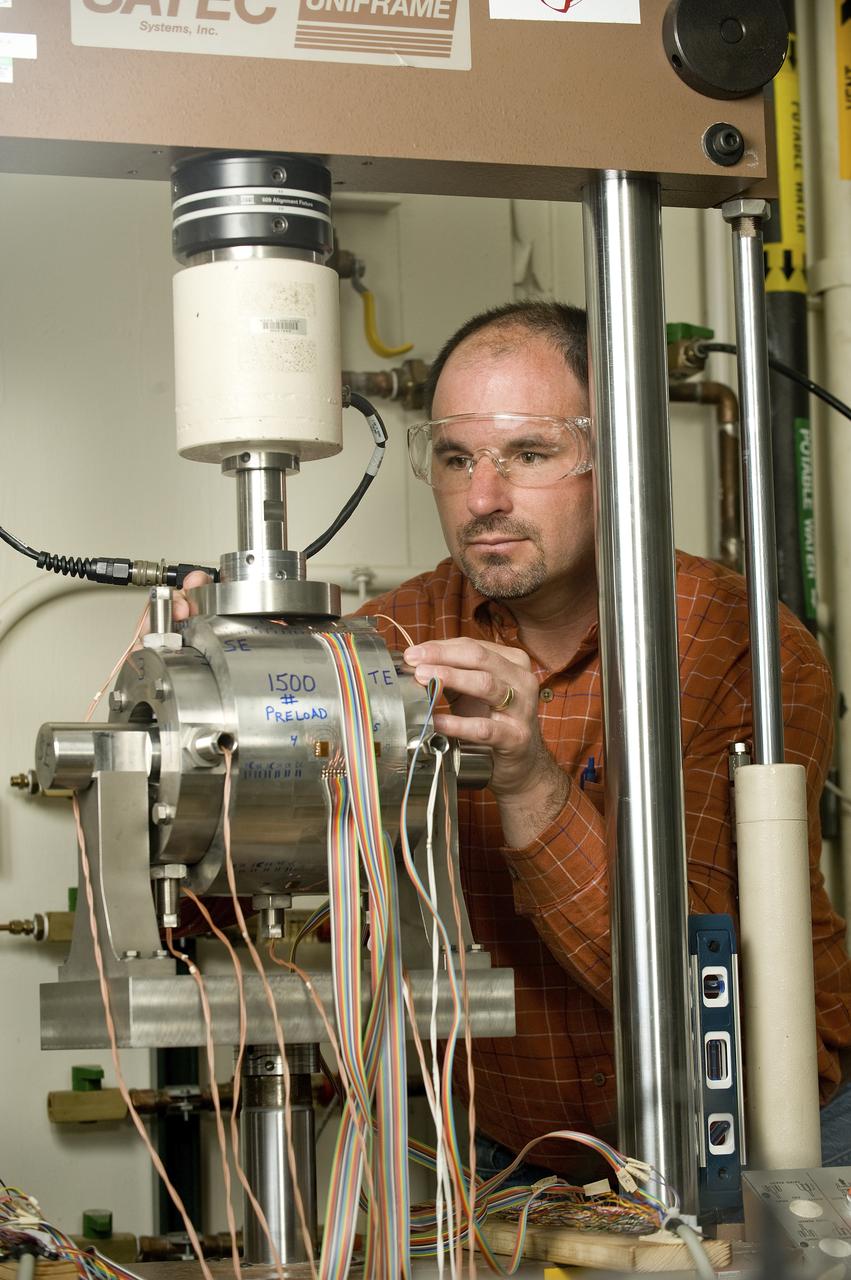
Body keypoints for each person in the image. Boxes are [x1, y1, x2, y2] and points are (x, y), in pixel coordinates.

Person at [354, 300, 851, 1178]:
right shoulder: (391, 638)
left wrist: (524, 773)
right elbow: (236, 911)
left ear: (616, 456)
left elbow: (683, 985)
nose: (482, 499)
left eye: (530, 455)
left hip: (757, 1130)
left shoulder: (737, 649)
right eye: (456, 457)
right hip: (511, 1150)